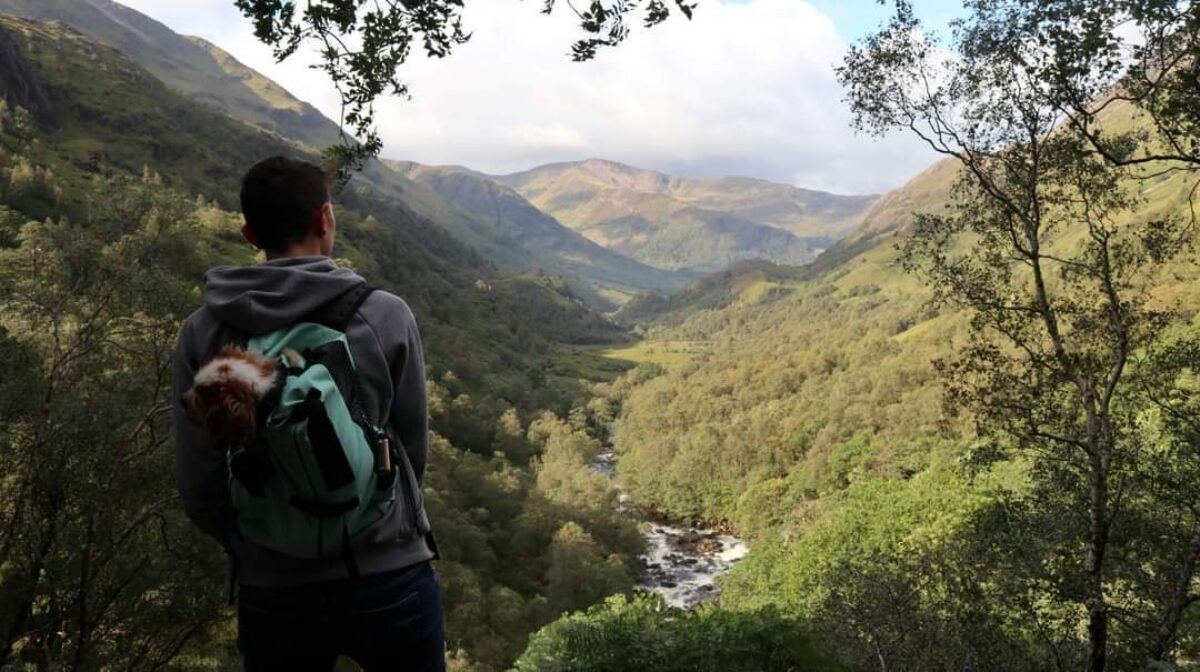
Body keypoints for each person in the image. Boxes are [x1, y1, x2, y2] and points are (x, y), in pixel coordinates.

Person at [172, 156, 444, 671]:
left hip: (274, 586)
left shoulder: (203, 332)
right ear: (325, 219)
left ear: (249, 233)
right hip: (387, 572)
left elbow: (200, 482)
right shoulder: (384, 313)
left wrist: (256, 545)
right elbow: (411, 447)